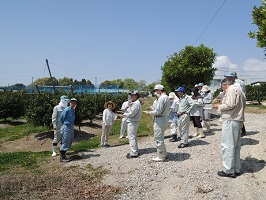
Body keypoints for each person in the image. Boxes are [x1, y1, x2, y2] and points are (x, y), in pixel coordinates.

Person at [213, 78, 246, 178]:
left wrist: (218, 106)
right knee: (235, 146)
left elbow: (230, 104)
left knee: (227, 145)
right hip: (237, 119)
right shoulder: (240, 90)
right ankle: (236, 168)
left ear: (225, 85)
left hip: (230, 119)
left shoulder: (231, 89)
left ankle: (228, 170)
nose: (223, 89)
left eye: (222, 87)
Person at [146, 84, 170, 162]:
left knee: (158, 138)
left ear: (159, 90)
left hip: (160, 119)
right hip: (164, 118)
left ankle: (160, 156)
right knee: (161, 138)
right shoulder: (166, 97)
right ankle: (164, 154)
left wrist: (150, 112)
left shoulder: (161, 98)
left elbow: (158, 111)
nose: (155, 92)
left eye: (156, 90)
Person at [123, 91, 142, 159]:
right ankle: (135, 150)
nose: (131, 96)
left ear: (136, 96)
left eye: (133, 95)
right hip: (133, 121)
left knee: (131, 137)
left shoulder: (136, 103)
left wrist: (125, 114)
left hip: (132, 121)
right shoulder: (135, 103)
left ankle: (134, 153)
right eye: (131, 95)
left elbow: (132, 114)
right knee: (133, 136)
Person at [60, 98, 77, 162]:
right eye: (72, 102)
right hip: (66, 126)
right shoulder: (67, 109)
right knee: (66, 140)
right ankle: (62, 156)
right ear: (69, 103)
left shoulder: (73, 110)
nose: (73, 104)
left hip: (71, 127)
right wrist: (65, 124)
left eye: (74, 103)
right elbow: (62, 118)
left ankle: (64, 153)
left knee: (70, 140)